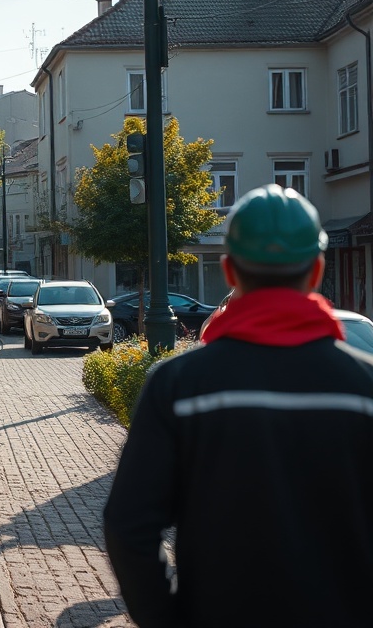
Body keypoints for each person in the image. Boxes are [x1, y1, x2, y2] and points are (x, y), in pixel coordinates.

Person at [103, 185, 373, 628]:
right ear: (318, 269)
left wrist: (167, 618)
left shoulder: (178, 387)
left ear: (229, 270)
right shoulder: (365, 388)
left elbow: (128, 525)